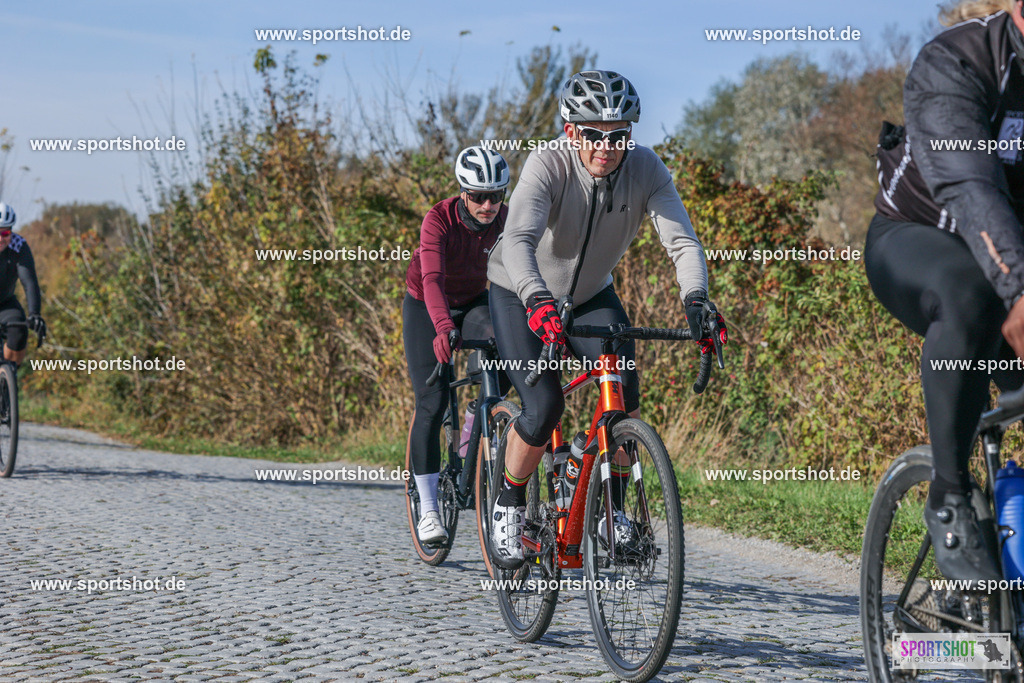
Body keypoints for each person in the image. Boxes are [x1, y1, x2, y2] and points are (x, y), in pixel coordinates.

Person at [485, 70, 726, 568]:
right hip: (519, 291)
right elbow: (518, 242)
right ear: (572, 131)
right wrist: (535, 299)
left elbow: (681, 242)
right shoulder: (546, 165)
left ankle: (612, 511)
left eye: (618, 136)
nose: (606, 147)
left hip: (592, 295)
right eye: (593, 135)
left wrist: (697, 299)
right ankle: (508, 502)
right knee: (544, 402)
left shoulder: (647, 169)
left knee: (624, 398)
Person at [866, 0, 1024, 582]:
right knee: (971, 298)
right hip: (918, 239)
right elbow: (969, 183)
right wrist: (1019, 290)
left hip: (1012, 258)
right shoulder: (957, 61)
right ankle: (950, 496)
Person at [403, 146, 510, 546]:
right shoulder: (439, 219)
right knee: (431, 402)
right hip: (427, 304)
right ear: (463, 192)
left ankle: (476, 418)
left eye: (496, 196)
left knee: (510, 350)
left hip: (475, 301)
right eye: (479, 196)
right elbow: (431, 279)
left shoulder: (507, 218)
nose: (488, 205)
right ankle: (428, 506)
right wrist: (443, 326)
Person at [0, 203, 44, 365]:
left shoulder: (19, 246)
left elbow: (29, 282)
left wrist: (35, 314)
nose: (0, 239)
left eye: (5, 233)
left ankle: (7, 380)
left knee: (19, 332)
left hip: (5, 303)